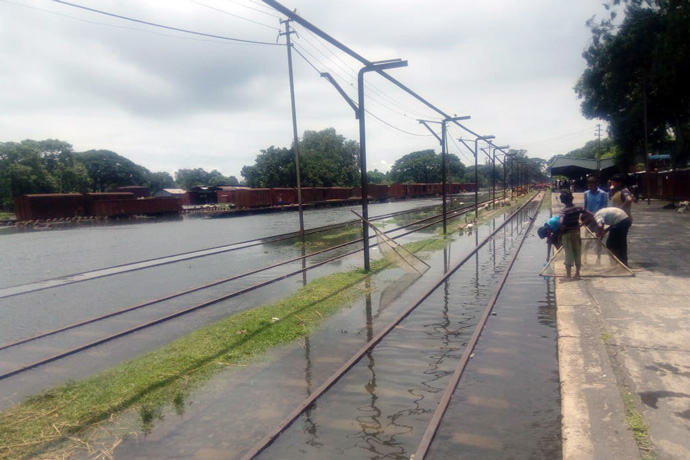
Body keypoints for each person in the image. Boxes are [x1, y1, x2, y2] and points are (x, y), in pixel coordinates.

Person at [559, 191, 594, 279]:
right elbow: (591, 215)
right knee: (577, 252)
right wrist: (583, 224)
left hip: (567, 234)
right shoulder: (578, 208)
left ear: (562, 201)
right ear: (572, 198)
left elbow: (561, 222)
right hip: (576, 232)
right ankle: (577, 274)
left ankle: (568, 276)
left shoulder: (564, 211)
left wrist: (562, 227)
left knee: (568, 253)